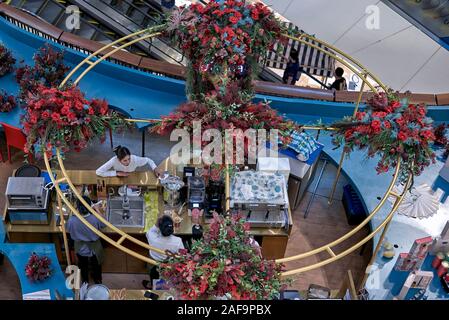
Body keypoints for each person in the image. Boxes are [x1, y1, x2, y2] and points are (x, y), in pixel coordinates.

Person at [66, 196, 106, 284]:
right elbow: (104, 224)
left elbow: (68, 229)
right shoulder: (95, 218)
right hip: (94, 247)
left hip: (80, 247)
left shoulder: (72, 220)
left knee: (82, 264)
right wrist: (97, 210)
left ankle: (85, 280)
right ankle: (97, 279)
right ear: (89, 207)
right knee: (96, 265)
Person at [142, 215, 185, 289]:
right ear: (172, 228)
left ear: (160, 227)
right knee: (166, 276)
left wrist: (156, 224)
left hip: (153, 261)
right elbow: (182, 254)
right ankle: (163, 287)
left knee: (153, 275)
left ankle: (153, 285)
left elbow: (149, 232)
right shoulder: (178, 241)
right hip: (168, 263)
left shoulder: (153, 238)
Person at [96, 145, 162, 177]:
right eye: (125, 160)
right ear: (119, 160)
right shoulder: (114, 161)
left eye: (129, 159)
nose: (128, 162)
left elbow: (148, 160)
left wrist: (155, 168)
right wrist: (116, 173)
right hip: (119, 178)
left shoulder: (135, 159)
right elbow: (98, 172)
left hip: (131, 176)